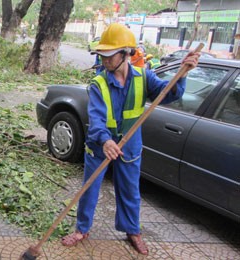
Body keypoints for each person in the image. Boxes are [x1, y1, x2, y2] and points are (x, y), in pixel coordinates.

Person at [60, 23, 200, 255]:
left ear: (126, 53)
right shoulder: (99, 83)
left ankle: (132, 231)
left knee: (130, 191)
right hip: (100, 145)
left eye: (109, 55)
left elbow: (170, 93)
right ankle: (82, 229)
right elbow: (96, 119)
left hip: (129, 145)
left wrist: (183, 73)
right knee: (89, 189)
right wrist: (105, 140)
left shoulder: (143, 78)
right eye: (101, 55)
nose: (104, 59)